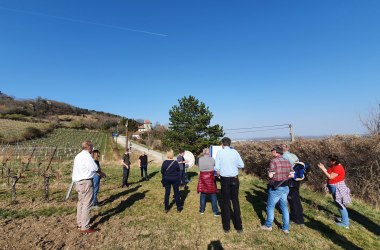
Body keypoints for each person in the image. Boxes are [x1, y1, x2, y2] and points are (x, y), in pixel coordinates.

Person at [261, 145, 293, 234]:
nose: (271, 152)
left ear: (275, 152)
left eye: (272, 151)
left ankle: (268, 225)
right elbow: (292, 175)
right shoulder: (287, 161)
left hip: (276, 187)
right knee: (284, 207)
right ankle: (285, 228)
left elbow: (270, 176)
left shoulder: (273, 161)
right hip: (285, 187)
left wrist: (269, 172)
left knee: (270, 206)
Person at [215, 137, 244, 233]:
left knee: (226, 202)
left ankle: (226, 227)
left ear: (222, 144)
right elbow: (241, 165)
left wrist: (219, 172)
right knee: (235, 201)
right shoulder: (235, 152)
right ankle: (239, 227)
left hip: (224, 179)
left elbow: (217, 167)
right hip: (234, 178)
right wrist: (233, 166)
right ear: (230, 144)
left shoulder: (219, 152)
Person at [72, 140, 99, 233]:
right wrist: (101, 172)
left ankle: (79, 223)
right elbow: (94, 168)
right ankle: (85, 226)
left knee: (81, 203)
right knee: (87, 204)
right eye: (92, 146)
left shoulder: (78, 156)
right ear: (89, 147)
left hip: (78, 183)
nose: (92, 148)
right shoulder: (87, 156)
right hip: (86, 182)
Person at [318, 155, 351, 229]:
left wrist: (323, 169)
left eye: (330, 160)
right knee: (338, 204)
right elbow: (329, 173)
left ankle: (345, 223)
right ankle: (344, 218)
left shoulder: (338, 167)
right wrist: (324, 168)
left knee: (340, 204)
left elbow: (330, 177)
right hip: (333, 186)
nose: (329, 162)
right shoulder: (334, 165)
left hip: (337, 187)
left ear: (334, 161)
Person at [281, 144, 304, 225]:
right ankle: (300, 216)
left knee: (292, 199)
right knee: (296, 198)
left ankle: (296, 219)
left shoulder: (283, 157)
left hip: (290, 180)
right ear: (288, 148)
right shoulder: (294, 155)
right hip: (297, 179)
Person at [197, 148, 221, 216]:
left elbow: (200, 167)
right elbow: (215, 166)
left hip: (202, 177)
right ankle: (215, 211)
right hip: (210, 177)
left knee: (203, 193)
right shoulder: (212, 159)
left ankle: (201, 210)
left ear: (203, 152)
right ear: (208, 153)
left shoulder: (200, 159)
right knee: (213, 194)